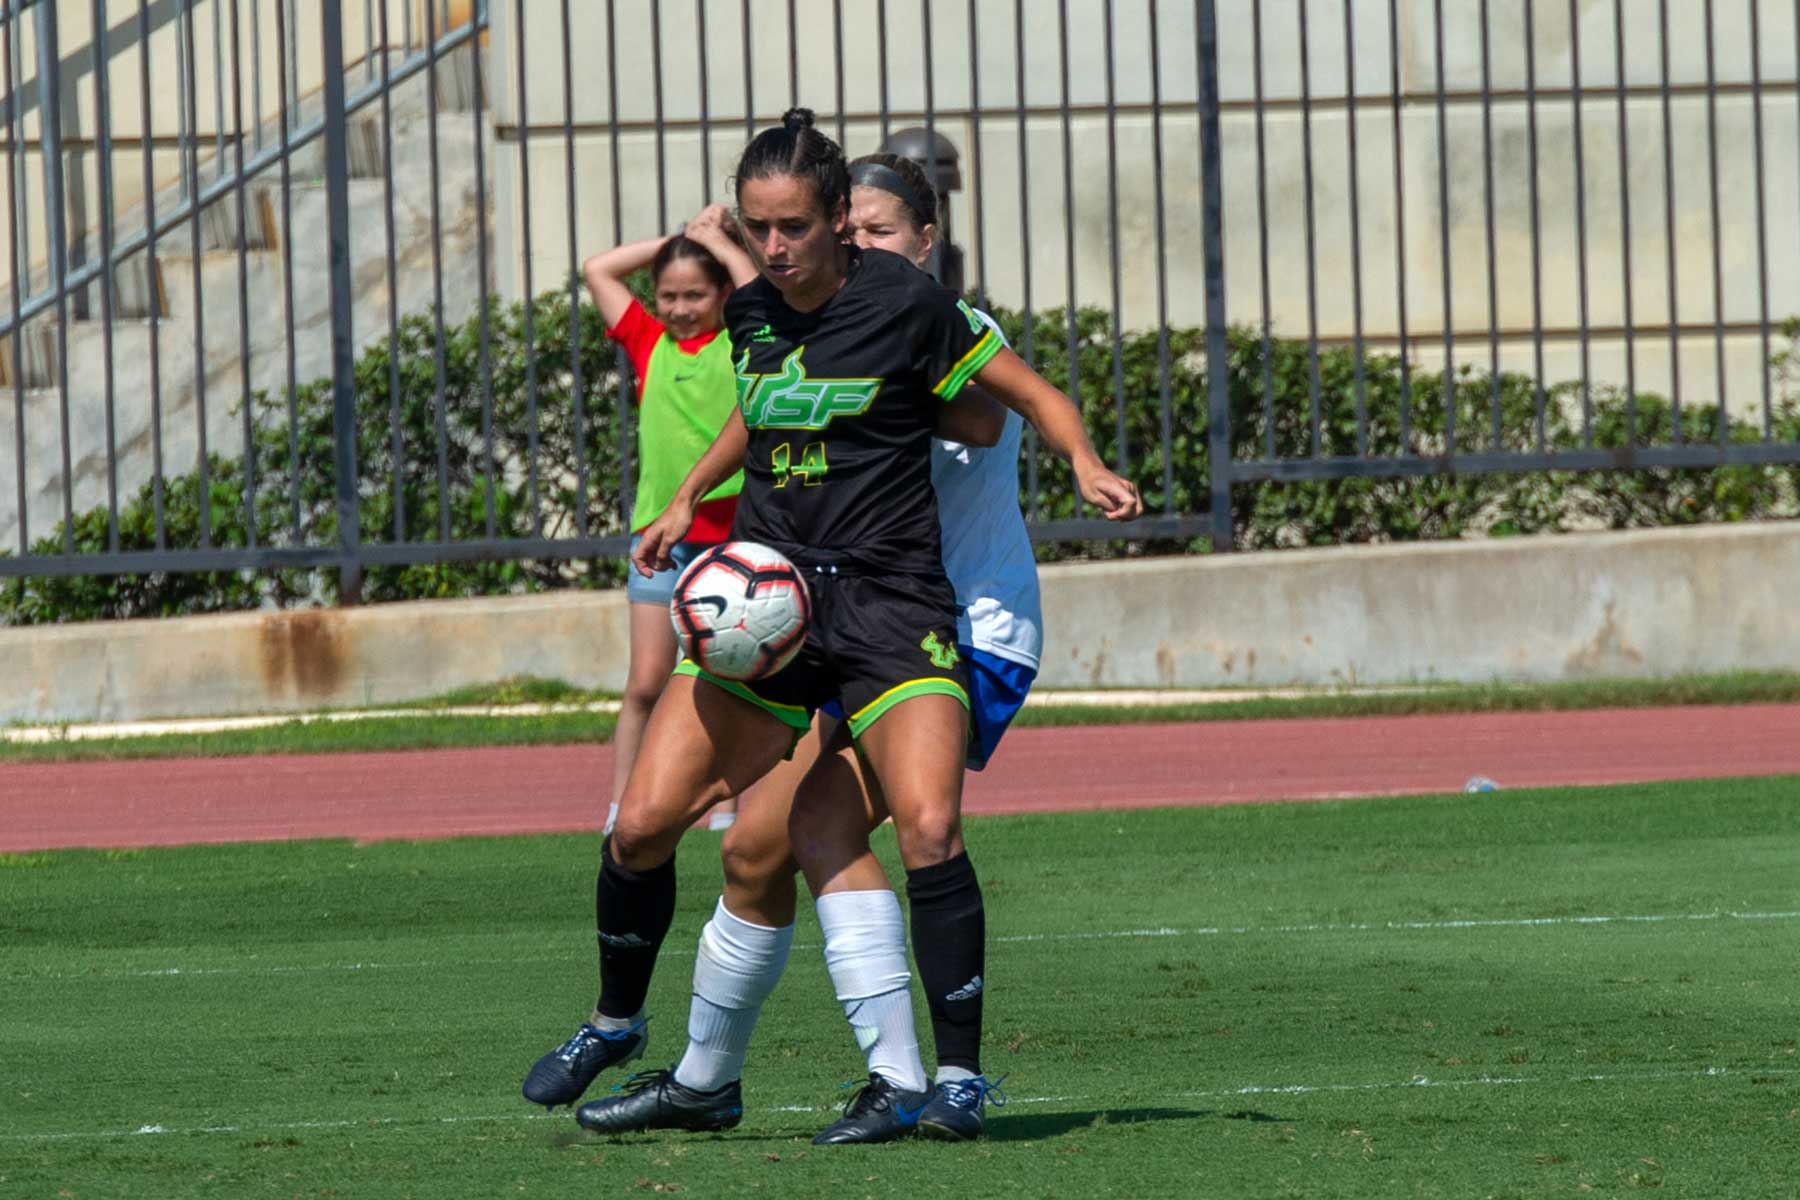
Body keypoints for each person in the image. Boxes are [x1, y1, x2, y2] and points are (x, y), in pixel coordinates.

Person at [523, 108, 1139, 1145]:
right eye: (757, 227)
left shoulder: (918, 309)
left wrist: (1084, 462)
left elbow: (1011, 401)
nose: (773, 247)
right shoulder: (754, 312)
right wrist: (688, 496)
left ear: (847, 223)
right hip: (778, 608)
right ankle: (635, 1035)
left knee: (902, 828)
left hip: (901, 607)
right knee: (661, 830)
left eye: (796, 226)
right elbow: (765, 404)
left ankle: (945, 1081)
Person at [579, 211, 757, 839]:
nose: (680, 309)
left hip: (732, 538)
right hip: (660, 542)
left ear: (723, 295)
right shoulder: (647, 342)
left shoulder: (742, 339)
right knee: (647, 682)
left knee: (727, 679)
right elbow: (597, 269)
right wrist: (680, 241)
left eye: (696, 295)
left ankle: (725, 806)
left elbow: (758, 288)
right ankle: (621, 809)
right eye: (669, 295)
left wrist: (719, 242)